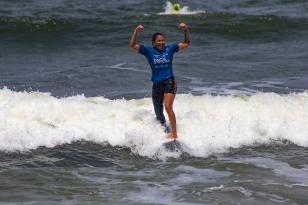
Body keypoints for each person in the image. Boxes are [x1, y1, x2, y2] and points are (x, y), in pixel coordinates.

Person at [129, 22, 190, 139]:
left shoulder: (170, 48)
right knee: (158, 112)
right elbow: (132, 45)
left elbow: (187, 43)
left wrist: (185, 30)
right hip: (157, 83)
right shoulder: (148, 51)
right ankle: (163, 128)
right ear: (153, 42)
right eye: (158, 41)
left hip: (169, 82)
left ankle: (174, 134)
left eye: (163, 40)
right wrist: (136, 31)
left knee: (168, 107)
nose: (161, 43)